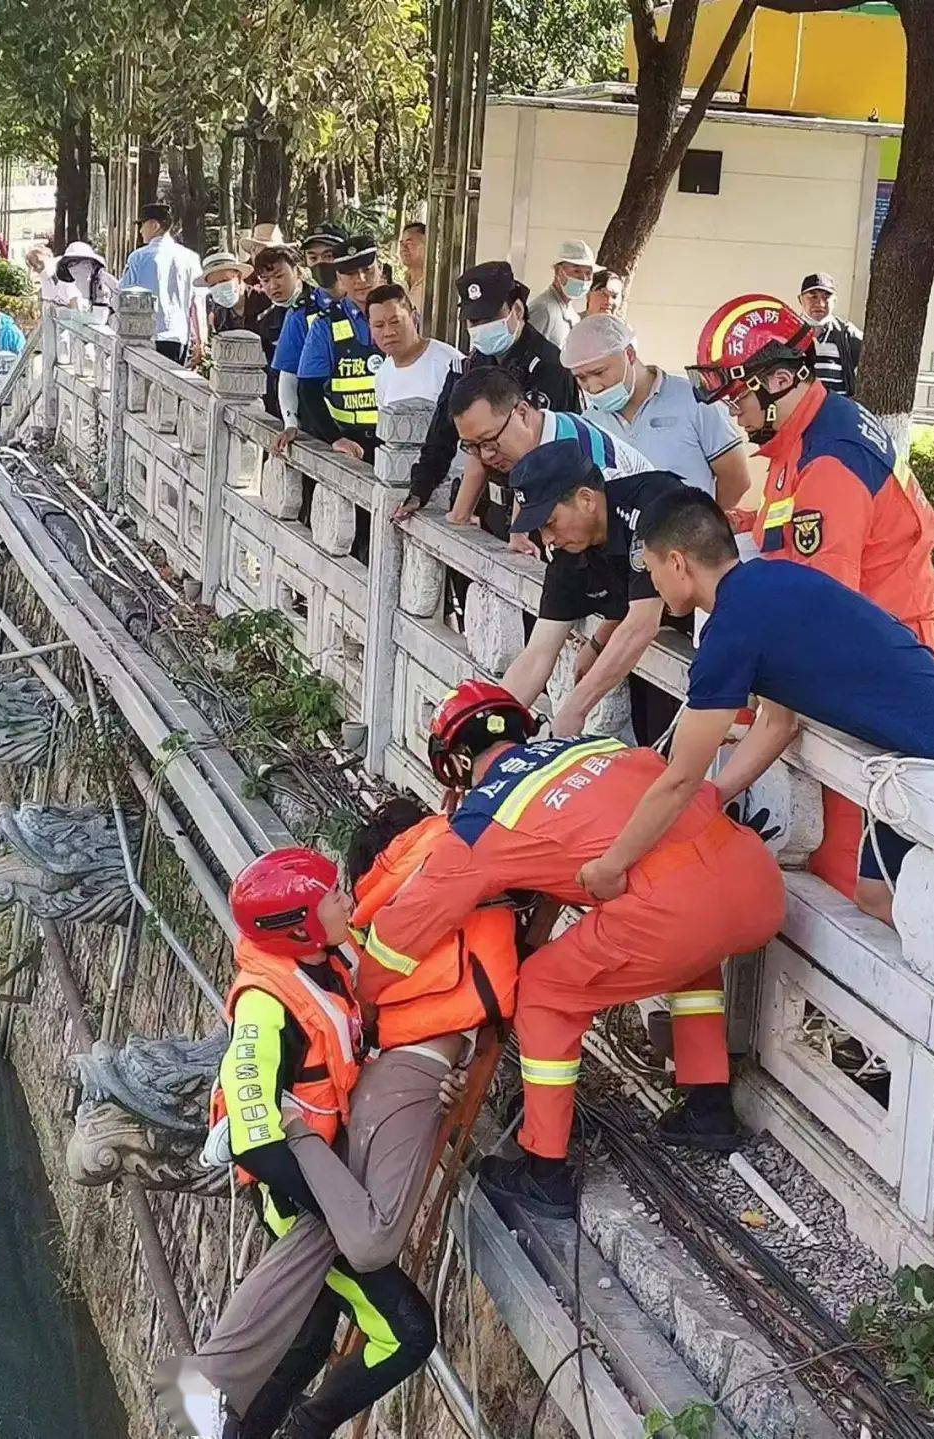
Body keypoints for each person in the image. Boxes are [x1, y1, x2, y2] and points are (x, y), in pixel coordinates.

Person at [361, 681, 785, 1215]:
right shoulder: (594, 747)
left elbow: (404, 930)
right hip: (755, 884)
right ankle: (708, 1104)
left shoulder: (485, 818)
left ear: (459, 760)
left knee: (542, 989)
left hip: (675, 914)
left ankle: (545, 1167)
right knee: (692, 954)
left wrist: (365, 1000)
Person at [160, 814, 517, 1438]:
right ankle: (215, 1395)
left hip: (328, 1157)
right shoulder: (265, 1007)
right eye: (334, 896)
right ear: (298, 925)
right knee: (404, 1331)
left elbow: (354, 1046)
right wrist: (329, 1199)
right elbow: (254, 1136)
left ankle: (213, 1400)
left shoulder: (329, 963)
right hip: (293, 1183)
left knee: (307, 1336)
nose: (349, 898)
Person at [576, 488, 934, 908]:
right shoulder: (767, 580)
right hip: (915, 747)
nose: (653, 584)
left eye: (652, 569)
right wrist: (717, 794)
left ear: (678, 563)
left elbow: (681, 777)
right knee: (874, 895)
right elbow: (778, 723)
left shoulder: (731, 632)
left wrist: (610, 866)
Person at [688, 293, 934, 917]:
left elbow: (815, 618)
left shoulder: (828, 462)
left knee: (873, 898)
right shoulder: (805, 437)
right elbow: (789, 527)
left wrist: (718, 783)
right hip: (877, 673)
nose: (736, 417)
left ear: (779, 380)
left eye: (739, 400)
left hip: (887, 692)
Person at [502, 435, 692, 744]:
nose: (546, 539)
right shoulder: (569, 550)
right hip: (643, 662)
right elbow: (537, 653)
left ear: (587, 499)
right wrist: (491, 724)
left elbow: (642, 624)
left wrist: (575, 708)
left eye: (550, 522)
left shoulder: (652, 506)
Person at [392, 261, 580, 533]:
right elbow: (442, 434)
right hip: (489, 508)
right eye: (474, 321)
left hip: (541, 514)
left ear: (516, 310)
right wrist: (419, 492)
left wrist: (522, 530)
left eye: (490, 319)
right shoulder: (472, 364)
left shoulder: (549, 367)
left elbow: (544, 455)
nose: (481, 328)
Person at [561, 314, 750, 507]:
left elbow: (736, 479)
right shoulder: (588, 425)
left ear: (629, 354)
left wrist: (705, 525)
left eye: (599, 372)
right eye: (581, 378)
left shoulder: (693, 399)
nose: (593, 387)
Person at [296, 233, 384, 464]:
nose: (361, 279)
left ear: (380, 267)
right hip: (347, 444)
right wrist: (334, 438)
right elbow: (308, 389)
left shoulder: (403, 316)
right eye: (351, 273)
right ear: (339, 277)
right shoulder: (325, 326)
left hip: (396, 440)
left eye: (368, 269)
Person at [269, 224, 347, 455]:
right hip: (320, 425)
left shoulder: (367, 304)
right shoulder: (302, 312)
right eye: (313, 257)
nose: (320, 263)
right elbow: (289, 372)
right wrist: (291, 423)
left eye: (329, 256)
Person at [119, 202, 203, 364]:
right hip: (178, 337)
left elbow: (125, 294)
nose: (141, 231)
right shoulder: (190, 258)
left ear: (154, 225)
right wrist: (200, 340)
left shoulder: (138, 257)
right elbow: (196, 302)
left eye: (142, 225)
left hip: (145, 336)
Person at [367, 283, 462, 407]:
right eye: (379, 325)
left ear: (414, 318)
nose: (388, 332)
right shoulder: (383, 374)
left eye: (395, 322)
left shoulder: (448, 363)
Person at [250, 245, 311, 420]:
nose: (273, 285)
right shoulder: (265, 321)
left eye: (279, 276)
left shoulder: (321, 306)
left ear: (296, 271)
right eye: (265, 280)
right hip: (282, 410)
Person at [798, 272, 862, 396]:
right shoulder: (789, 332)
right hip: (799, 412)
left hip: (838, 410)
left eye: (826, 297)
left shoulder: (847, 333)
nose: (820, 303)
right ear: (801, 299)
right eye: (813, 296)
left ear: (835, 301)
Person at [528, 239, 595, 349]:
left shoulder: (572, 314)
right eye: (576, 271)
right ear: (558, 271)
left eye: (588, 273)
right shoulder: (543, 310)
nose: (583, 278)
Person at [196, 249, 266, 338]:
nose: (219, 287)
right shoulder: (218, 313)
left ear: (239, 277)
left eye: (224, 280)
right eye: (213, 284)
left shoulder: (264, 301)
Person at [55, 240, 119, 323]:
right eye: (70, 265)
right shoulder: (73, 285)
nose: (72, 269)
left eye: (75, 263)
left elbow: (99, 319)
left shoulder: (102, 283)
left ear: (90, 265)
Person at [398, 221, 426, 312]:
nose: (403, 248)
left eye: (409, 244)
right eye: (402, 244)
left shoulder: (437, 286)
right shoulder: (400, 286)